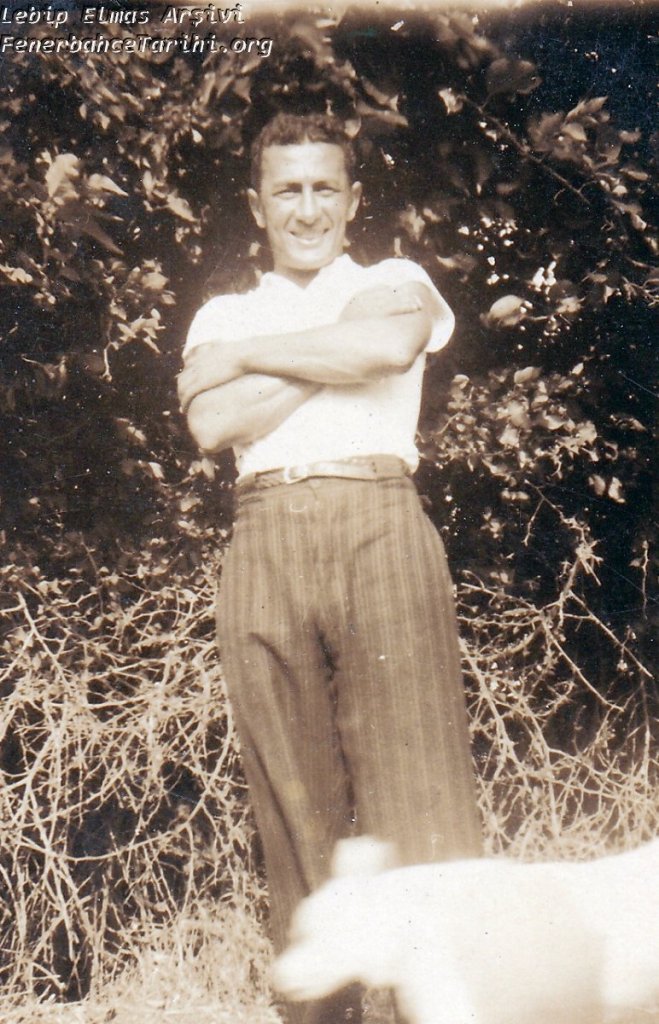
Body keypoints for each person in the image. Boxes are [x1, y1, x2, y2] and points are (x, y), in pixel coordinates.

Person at [178, 112, 483, 1024]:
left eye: (324, 188)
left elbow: (384, 347)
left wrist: (246, 364)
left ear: (352, 202)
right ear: (257, 206)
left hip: (377, 522)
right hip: (264, 533)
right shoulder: (222, 314)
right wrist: (324, 351)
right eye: (287, 190)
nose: (306, 209)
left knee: (419, 800)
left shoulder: (394, 283)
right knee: (294, 809)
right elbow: (212, 423)